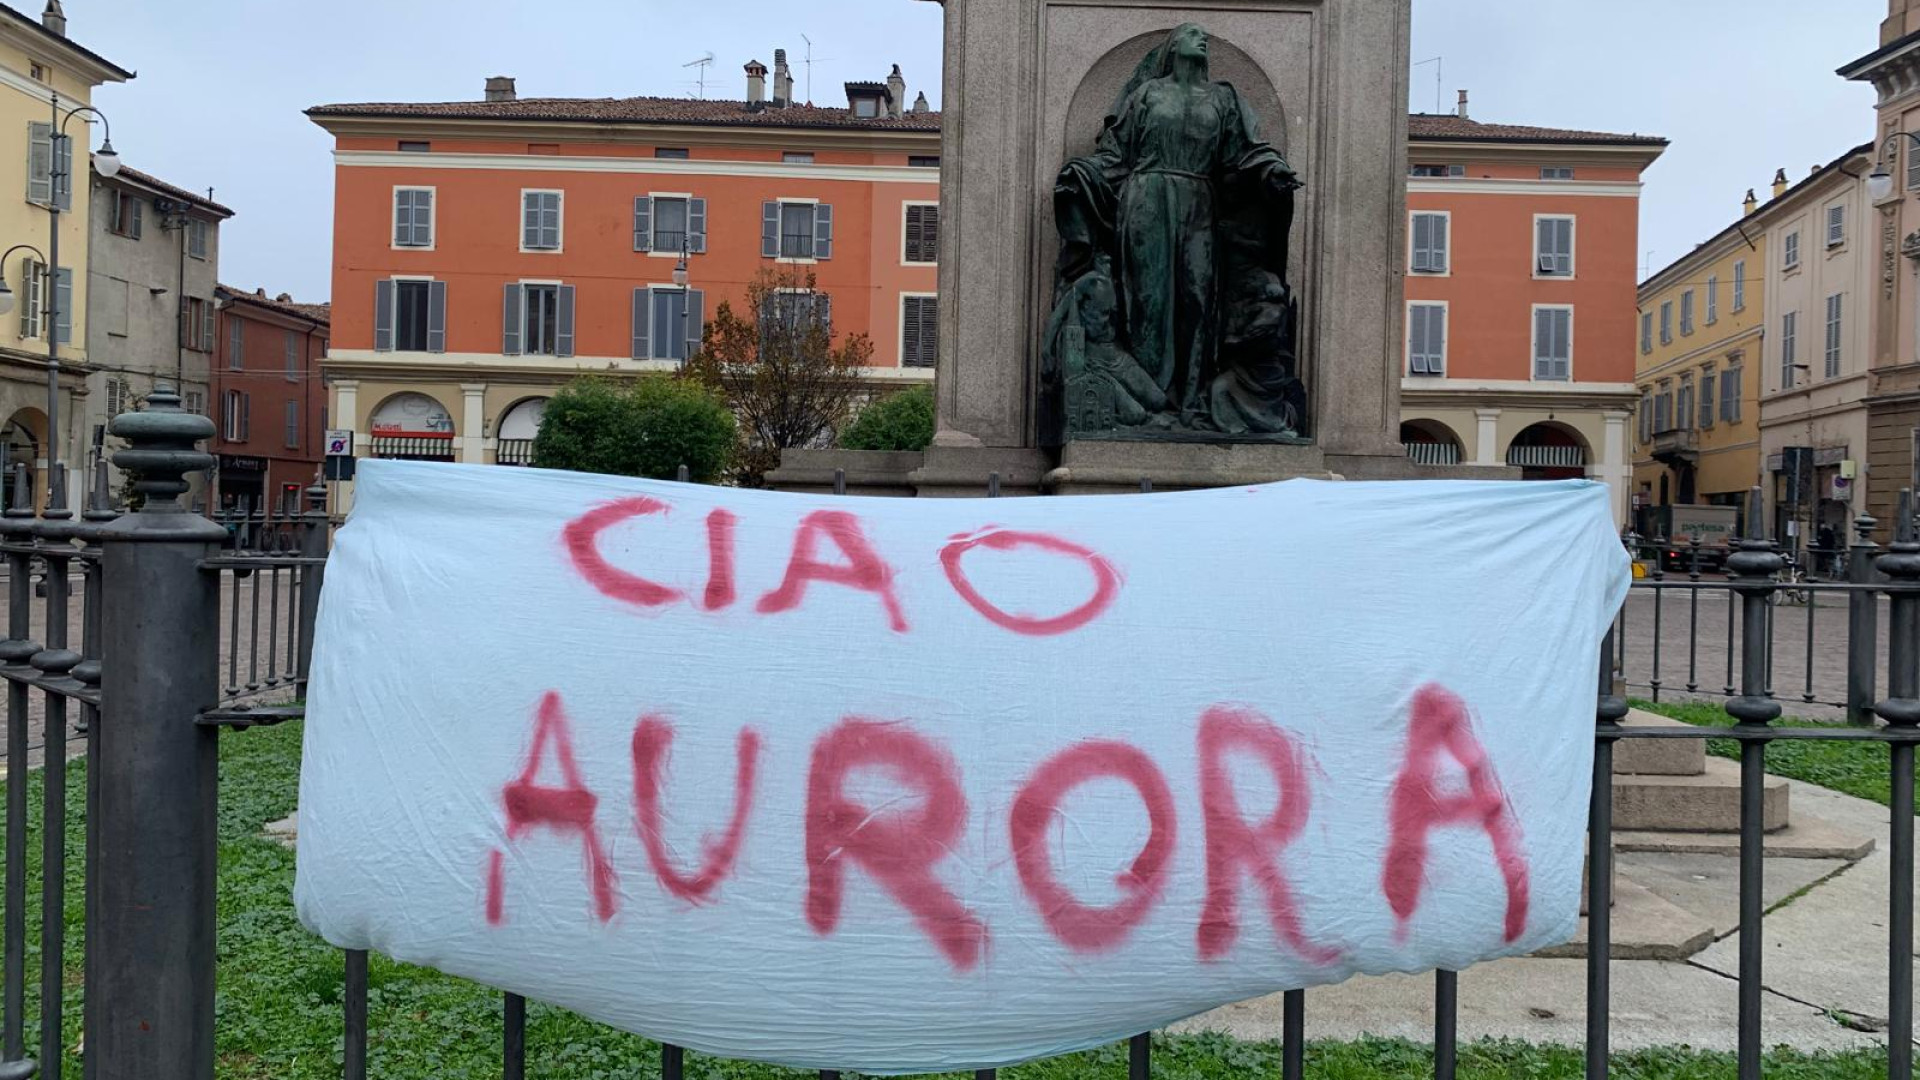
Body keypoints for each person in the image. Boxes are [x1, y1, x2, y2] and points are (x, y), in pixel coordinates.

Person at [1051, 23, 1300, 433]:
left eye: (1202, 36)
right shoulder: (1147, 95)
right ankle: (1154, 403)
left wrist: (1273, 171)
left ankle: (1193, 400)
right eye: (1191, 34)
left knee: (1199, 299)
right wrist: (1082, 174)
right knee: (1150, 300)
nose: (1200, 39)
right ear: (1172, 48)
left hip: (1200, 201)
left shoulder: (1225, 98)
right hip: (1146, 199)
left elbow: (1250, 151)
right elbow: (1115, 153)